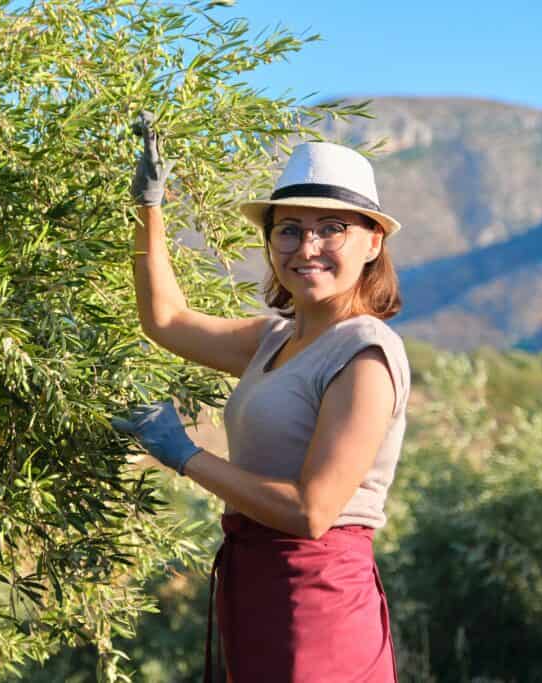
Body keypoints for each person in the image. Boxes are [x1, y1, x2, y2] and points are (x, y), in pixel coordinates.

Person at [111, 112, 409, 682]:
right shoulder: (276, 338)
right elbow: (166, 320)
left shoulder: (365, 355)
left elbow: (311, 512)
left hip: (317, 598)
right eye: (289, 229)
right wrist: (149, 208)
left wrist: (185, 455)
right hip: (255, 586)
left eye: (331, 229)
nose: (308, 247)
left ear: (373, 242)